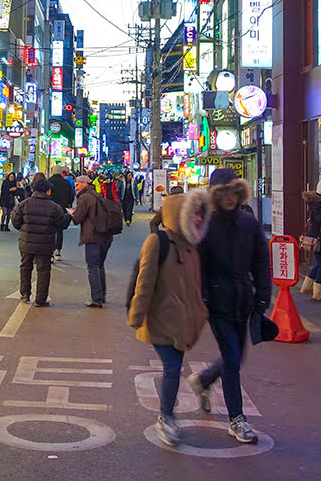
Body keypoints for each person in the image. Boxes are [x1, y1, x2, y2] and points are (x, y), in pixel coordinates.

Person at [188, 168, 271, 445]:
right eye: (223, 193)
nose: (229, 199)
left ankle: (204, 380)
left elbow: (261, 261)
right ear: (214, 195)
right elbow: (198, 265)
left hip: (243, 299)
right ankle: (237, 419)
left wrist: (262, 297)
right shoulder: (206, 225)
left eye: (234, 192)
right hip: (218, 301)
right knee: (233, 359)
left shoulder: (249, 222)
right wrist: (203, 297)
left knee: (236, 356)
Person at [128, 190, 210, 447]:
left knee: (174, 367)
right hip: (161, 318)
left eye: (200, 214)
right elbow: (145, 281)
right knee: (172, 367)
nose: (197, 219)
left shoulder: (192, 246)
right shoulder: (158, 242)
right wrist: (136, 315)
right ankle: (167, 417)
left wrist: (200, 313)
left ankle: (168, 414)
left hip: (184, 322)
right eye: (192, 214)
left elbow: (197, 285)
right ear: (179, 215)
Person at [11, 178, 71, 306]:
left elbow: (15, 220)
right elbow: (62, 223)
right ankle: (40, 299)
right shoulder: (54, 207)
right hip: (45, 244)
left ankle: (25, 294)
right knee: (43, 271)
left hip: (26, 243)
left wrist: (23, 230)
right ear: (48, 191)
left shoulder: (24, 204)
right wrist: (69, 216)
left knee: (25, 268)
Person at [71, 175, 116, 308]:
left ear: (84, 183)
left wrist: (71, 214)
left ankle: (96, 299)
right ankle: (101, 296)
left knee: (93, 267)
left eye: (77, 185)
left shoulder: (85, 198)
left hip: (93, 237)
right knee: (100, 266)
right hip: (106, 236)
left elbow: (77, 218)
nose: (76, 188)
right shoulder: (97, 194)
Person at [299, 180, 321, 300]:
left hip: (313, 235)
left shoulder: (314, 201)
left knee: (319, 263)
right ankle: (318, 291)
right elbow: (318, 219)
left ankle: (307, 286)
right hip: (320, 237)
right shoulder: (320, 203)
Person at [48, 165, 75, 261]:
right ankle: (58, 252)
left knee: (50, 230)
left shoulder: (49, 182)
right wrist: (67, 204)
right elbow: (71, 196)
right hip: (62, 209)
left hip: (50, 209)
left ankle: (50, 253)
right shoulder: (66, 183)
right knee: (59, 230)